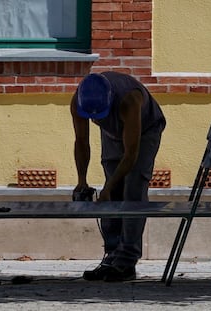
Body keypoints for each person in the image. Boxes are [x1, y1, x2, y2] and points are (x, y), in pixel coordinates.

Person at [70, 71, 166, 282]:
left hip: (145, 131)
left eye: (99, 115)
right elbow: (81, 142)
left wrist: (109, 186)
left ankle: (126, 262)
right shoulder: (78, 101)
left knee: (132, 191)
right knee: (111, 195)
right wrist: (81, 181)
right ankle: (111, 258)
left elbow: (131, 155)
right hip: (113, 132)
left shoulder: (129, 100)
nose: (94, 119)